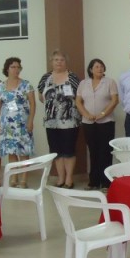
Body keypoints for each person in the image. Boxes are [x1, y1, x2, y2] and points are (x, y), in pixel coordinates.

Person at [37, 50, 81, 189]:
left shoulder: (72, 77)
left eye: (61, 59)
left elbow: (80, 96)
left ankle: (69, 178)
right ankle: (61, 177)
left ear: (65, 62)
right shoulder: (46, 77)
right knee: (56, 151)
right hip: (51, 121)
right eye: (56, 59)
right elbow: (40, 95)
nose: (58, 62)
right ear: (52, 62)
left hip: (70, 120)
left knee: (68, 150)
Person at [76, 58, 118, 190]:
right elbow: (78, 101)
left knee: (105, 152)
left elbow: (115, 100)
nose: (100, 69)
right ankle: (93, 182)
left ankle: (106, 182)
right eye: (97, 67)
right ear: (90, 70)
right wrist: (86, 114)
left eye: (101, 66)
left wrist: (103, 114)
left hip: (106, 122)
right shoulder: (83, 83)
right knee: (93, 151)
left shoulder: (110, 82)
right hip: (88, 122)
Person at [0, 57, 35, 188]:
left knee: (23, 152)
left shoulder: (26, 85)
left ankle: (24, 179)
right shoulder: (1, 86)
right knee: (11, 151)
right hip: (7, 125)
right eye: (13, 67)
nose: (16, 70)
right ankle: (14, 177)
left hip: (22, 123)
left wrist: (30, 121)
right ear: (7, 69)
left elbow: (33, 104)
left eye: (18, 67)